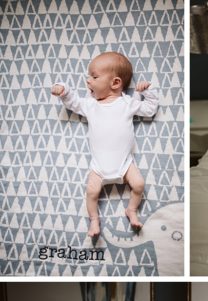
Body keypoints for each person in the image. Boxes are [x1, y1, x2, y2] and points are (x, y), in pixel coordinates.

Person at [51, 51, 159, 238]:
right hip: (99, 166)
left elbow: (149, 110)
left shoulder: (128, 103)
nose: (88, 81)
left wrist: (147, 92)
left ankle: (131, 209)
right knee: (91, 191)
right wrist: (64, 91)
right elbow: (73, 103)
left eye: (94, 77)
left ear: (115, 83)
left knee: (139, 184)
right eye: (88, 77)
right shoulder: (90, 105)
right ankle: (94, 220)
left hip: (125, 164)